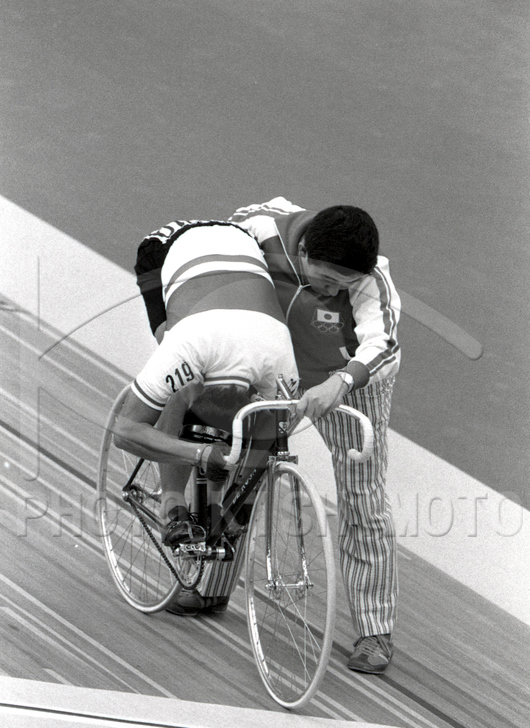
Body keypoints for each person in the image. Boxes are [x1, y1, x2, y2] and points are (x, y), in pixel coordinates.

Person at [135, 200, 401, 675]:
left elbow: (384, 346)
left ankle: (375, 631)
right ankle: (209, 585)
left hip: (349, 383)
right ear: (304, 251)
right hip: (277, 367)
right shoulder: (257, 232)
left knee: (363, 499)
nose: (332, 291)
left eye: (342, 286)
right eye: (325, 279)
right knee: (240, 465)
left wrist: (341, 382)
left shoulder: (371, 278)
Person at [115, 220, 298, 604]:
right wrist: (199, 453)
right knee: (177, 392)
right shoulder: (185, 349)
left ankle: (205, 509)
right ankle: (173, 503)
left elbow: (270, 437)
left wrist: (236, 508)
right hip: (165, 248)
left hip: (238, 255)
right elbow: (124, 431)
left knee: (266, 433)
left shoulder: (279, 362)